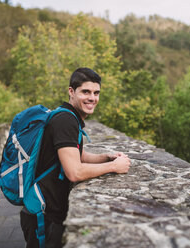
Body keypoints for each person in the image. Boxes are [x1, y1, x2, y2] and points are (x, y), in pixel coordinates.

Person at [20, 67, 131, 248]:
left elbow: (77, 155)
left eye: (96, 93)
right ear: (71, 91)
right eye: (85, 92)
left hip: (44, 211)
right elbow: (74, 172)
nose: (92, 98)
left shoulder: (68, 116)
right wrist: (114, 167)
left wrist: (107, 157)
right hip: (43, 215)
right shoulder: (66, 120)